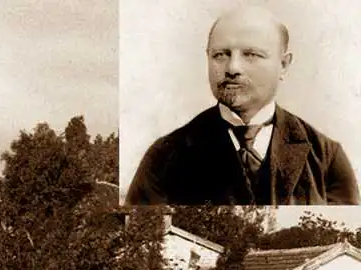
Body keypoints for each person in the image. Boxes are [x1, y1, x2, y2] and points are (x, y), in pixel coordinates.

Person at [125, 5, 360, 206]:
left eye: (251, 55)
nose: (232, 68)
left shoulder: (326, 158)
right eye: (220, 55)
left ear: (284, 65)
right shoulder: (165, 156)